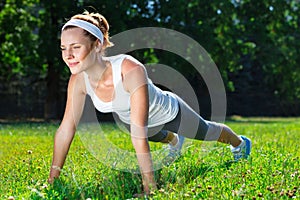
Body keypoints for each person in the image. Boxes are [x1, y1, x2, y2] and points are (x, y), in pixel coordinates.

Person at [48, 11, 252, 196]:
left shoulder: (129, 69)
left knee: (207, 132)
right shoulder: (78, 81)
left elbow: (139, 132)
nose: (68, 55)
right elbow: (66, 129)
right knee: (153, 134)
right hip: (134, 123)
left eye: (76, 47)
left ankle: (240, 144)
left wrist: (149, 188)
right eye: (64, 48)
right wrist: (52, 181)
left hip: (170, 113)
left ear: (97, 45)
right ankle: (174, 141)